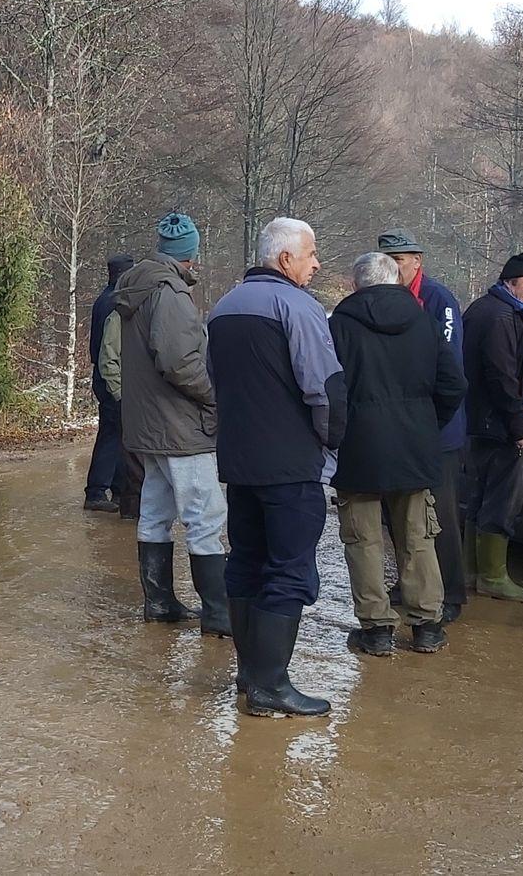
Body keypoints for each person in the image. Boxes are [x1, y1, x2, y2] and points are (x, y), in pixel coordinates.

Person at [206, 217, 343, 717]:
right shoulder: (298, 306)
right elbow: (325, 389)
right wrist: (333, 448)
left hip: (239, 463)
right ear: (285, 259)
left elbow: (211, 381)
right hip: (289, 465)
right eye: (311, 254)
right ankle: (270, 687)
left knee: (245, 562)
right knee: (288, 570)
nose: (316, 263)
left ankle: (250, 675)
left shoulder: (223, 306)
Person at [329, 252, 467, 657]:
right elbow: (454, 384)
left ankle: (376, 631)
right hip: (414, 444)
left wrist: (336, 434)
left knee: (364, 540)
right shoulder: (422, 321)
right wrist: (427, 423)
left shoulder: (339, 325)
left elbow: (329, 388)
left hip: (359, 447)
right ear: (398, 281)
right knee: (417, 537)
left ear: (357, 284)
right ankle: (427, 626)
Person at [115, 212, 229, 635]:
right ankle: (218, 612)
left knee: (156, 512)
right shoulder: (172, 295)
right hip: (181, 427)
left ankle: (159, 602)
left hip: (147, 426)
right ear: (189, 257)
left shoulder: (136, 290)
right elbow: (179, 362)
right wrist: (212, 397)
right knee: (205, 516)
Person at [377, 228, 471, 622]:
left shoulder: (438, 299)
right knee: (397, 515)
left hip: (438, 430)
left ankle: (450, 593)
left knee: (441, 516)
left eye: (400, 260)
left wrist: (428, 419)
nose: (393, 267)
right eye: (388, 260)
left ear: (417, 261)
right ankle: (410, 582)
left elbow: (447, 365)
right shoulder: (380, 300)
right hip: (398, 428)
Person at [461, 253, 523, 604]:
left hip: (478, 422)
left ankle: (469, 571)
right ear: (510, 281)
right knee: (502, 499)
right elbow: (502, 376)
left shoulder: (486, 309)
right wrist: (519, 426)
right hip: (497, 425)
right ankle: (493, 576)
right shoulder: (501, 317)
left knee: (480, 496)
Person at [84, 255, 137, 511]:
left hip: (104, 374)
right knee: (112, 435)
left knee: (116, 434)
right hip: (110, 376)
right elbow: (109, 351)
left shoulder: (104, 299)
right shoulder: (115, 303)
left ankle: (116, 490)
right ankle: (96, 492)